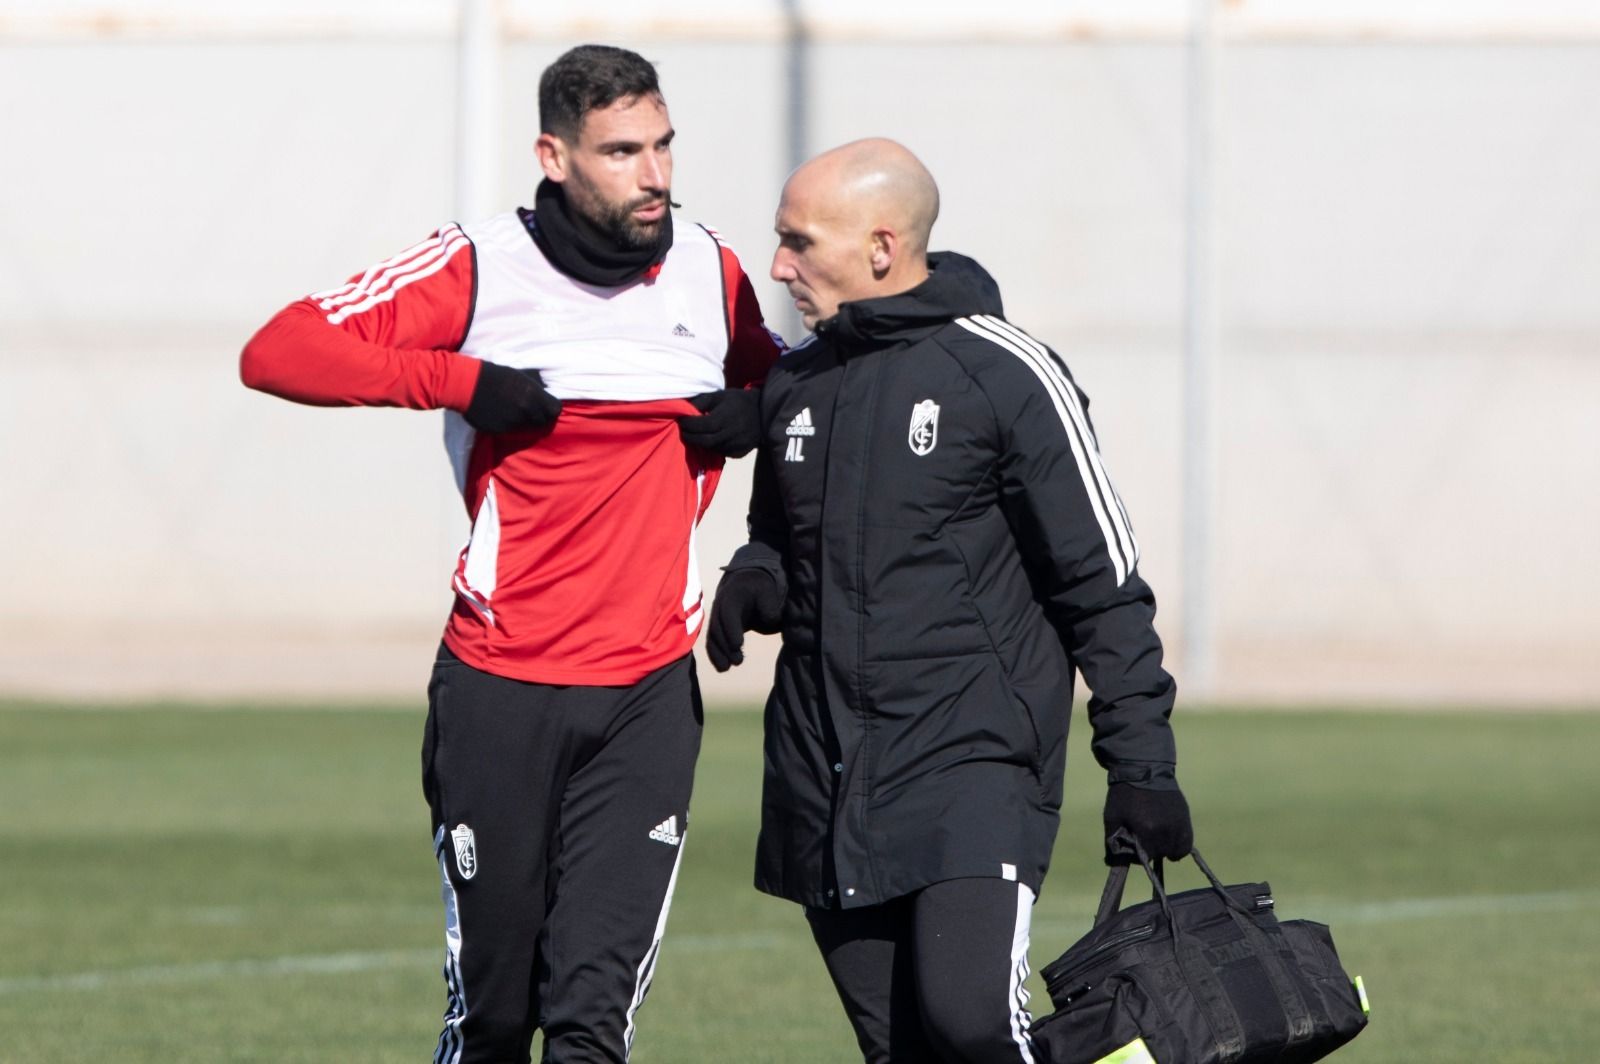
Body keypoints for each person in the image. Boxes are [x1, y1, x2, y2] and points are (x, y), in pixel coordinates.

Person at [239, 44, 780, 1064]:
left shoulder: (710, 270)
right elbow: (280, 349)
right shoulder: (477, 264)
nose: (654, 172)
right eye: (622, 150)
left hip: (645, 701)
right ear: (555, 153)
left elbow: (808, 399)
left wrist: (760, 423)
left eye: (663, 145)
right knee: (490, 1021)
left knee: (591, 1023)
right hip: (500, 690)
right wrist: (459, 381)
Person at [705, 138, 1194, 1064]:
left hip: (972, 765)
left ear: (882, 246)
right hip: (826, 774)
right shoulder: (798, 383)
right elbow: (778, 526)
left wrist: (1143, 768)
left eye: (798, 242)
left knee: (975, 1029)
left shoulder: (1007, 375)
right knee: (901, 1050)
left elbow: (1105, 586)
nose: (779, 266)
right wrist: (759, 572)